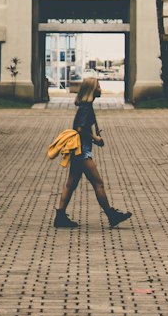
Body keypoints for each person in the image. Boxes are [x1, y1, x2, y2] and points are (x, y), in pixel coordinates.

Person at [54, 75, 131, 229]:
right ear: (91, 90)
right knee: (98, 183)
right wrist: (95, 138)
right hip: (82, 151)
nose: (100, 89)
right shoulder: (86, 108)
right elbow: (80, 129)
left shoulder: (85, 106)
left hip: (79, 150)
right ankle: (111, 215)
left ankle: (60, 216)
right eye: (98, 86)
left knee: (71, 183)